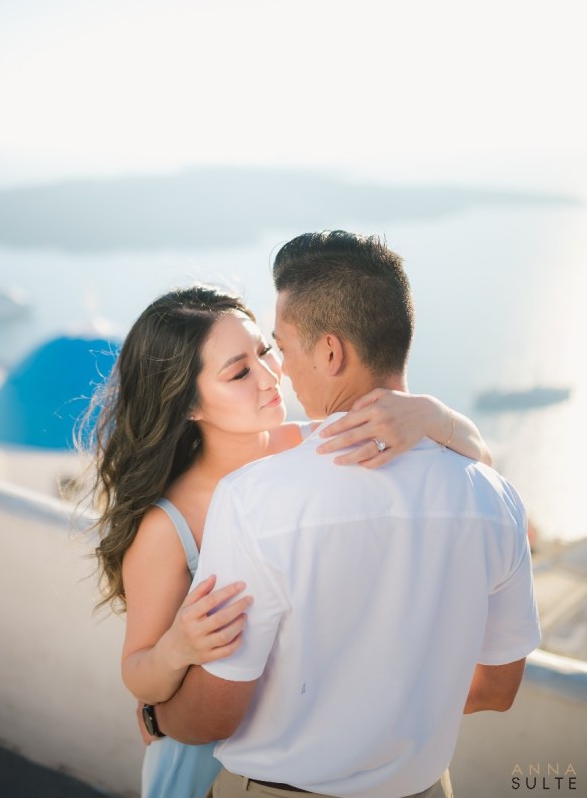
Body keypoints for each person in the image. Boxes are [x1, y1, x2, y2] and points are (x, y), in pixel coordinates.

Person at [150, 234, 542, 798]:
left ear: (331, 352)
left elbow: (213, 714)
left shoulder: (252, 499)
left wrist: (155, 719)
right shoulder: (495, 497)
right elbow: (497, 688)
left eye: (281, 347)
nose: (278, 370)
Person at [88, 282, 493, 798]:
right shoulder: (168, 526)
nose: (270, 375)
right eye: (239, 372)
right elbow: (138, 675)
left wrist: (433, 415)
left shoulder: (323, 443)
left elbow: (478, 470)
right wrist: (176, 649)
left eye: (265, 351)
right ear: (187, 404)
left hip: (348, 750)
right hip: (216, 767)